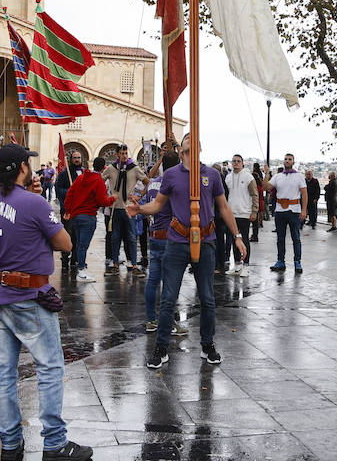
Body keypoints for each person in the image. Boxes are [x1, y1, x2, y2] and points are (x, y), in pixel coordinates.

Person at [0, 143, 92, 461]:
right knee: (50, 367)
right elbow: (65, 243)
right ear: (20, 169)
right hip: (29, 296)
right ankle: (55, 443)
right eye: (27, 163)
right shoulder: (34, 203)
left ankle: (11, 442)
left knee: (4, 372)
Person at [130, 134, 247, 368]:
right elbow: (158, 204)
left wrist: (238, 236)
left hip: (206, 240)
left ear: (200, 149)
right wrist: (140, 209)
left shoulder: (212, 175)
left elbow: (223, 207)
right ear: (182, 151)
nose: (191, 148)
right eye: (187, 145)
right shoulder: (171, 175)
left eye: (195, 145)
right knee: (169, 297)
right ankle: (161, 348)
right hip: (177, 241)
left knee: (207, 298)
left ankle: (208, 345)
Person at [140, 150, 187, 334]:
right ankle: (170, 322)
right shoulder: (174, 183)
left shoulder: (152, 183)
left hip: (154, 234)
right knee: (170, 282)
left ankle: (151, 320)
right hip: (171, 235)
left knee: (153, 280)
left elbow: (144, 199)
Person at [60, 157, 112, 281]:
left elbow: (69, 194)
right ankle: (81, 270)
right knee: (83, 245)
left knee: (78, 244)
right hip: (88, 216)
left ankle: (80, 268)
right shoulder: (98, 180)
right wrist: (113, 198)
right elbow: (102, 201)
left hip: (76, 216)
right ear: (104, 168)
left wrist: (68, 210)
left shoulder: (81, 177)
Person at [101, 145, 145, 276]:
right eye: (122, 153)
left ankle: (134, 265)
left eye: (126, 153)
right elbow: (99, 182)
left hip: (129, 208)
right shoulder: (111, 169)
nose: (124, 155)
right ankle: (115, 264)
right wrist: (105, 197)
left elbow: (149, 182)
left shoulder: (135, 169)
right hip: (115, 208)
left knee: (131, 237)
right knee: (114, 237)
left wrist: (139, 196)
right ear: (117, 155)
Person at [266, 153, 308, 272]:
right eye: (286, 159)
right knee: (280, 238)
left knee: (296, 237)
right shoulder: (278, 176)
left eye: (290, 159)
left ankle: (297, 262)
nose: (287, 161)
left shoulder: (299, 176)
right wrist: (266, 174)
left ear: (293, 162)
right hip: (280, 210)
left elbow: (304, 193)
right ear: (283, 162)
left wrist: (304, 210)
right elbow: (266, 188)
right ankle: (280, 261)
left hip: (294, 210)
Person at [224, 155, 258, 277]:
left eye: (238, 161)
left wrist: (254, 211)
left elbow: (255, 194)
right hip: (231, 214)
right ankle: (237, 265)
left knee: (244, 239)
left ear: (243, 163)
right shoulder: (228, 178)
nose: (236, 163)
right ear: (231, 163)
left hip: (244, 213)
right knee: (234, 240)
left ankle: (246, 266)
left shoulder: (248, 177)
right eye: (234, 161)